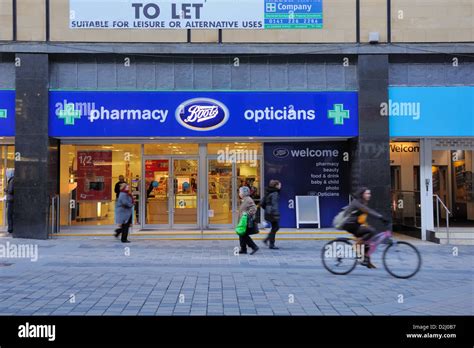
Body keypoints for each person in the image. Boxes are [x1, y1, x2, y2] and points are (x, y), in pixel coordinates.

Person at [342, 187, 388, 269]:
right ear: (362, 194)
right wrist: (380, 217)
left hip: (354, 224)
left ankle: (367, 262)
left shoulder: (362, 202)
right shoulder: (357, 203)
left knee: (368, 241)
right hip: (349, 224)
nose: (369, 195)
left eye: (369, 193)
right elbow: (368, 211)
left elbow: (366, 213)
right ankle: (357, 245)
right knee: (371, 231)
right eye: (367, 193)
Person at [238, 186, 259, 255]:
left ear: (244, 193)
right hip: (243, 221)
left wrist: (246, 214)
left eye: (240, 192)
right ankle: (243, 249)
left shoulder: (248, 200)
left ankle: (254, 247)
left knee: (244, 235)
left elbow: (254, 208)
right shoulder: (244, 199)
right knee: (241, 234)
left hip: (246, 221)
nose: (239, 193)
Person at [262, 180, 281, 249]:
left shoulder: (268, 192)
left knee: (275, 227)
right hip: (272, 213)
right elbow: (274, 204)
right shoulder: (275, 193)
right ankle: (271, 244)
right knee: (275, 227)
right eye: (279, 185)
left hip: (268, 212)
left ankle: (267, 240)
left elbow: (262, 203)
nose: (280, 186)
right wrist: (276, 214)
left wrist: (267, 208)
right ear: (276, 186)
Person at [5, 169, 14, 233]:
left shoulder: (11, 180)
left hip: (11, 200)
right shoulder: (12, 180)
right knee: (10, 214)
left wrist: (6, 190)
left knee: (9, 214)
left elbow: (10, 190)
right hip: (12, 199)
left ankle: (10, 228)